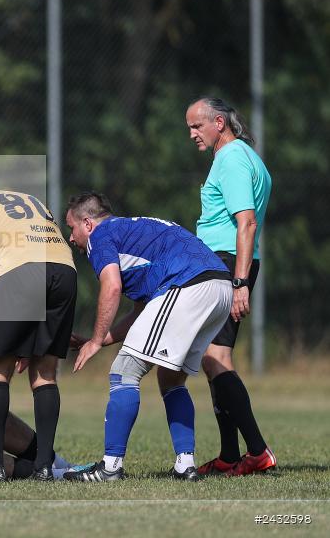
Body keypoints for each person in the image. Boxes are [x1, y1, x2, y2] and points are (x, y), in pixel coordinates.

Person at [64, 192, 233, 482]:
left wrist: (94, 340)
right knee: (170, 377)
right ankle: (185, 464)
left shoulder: (101, 236)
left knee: (123, 372)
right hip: (219, 287)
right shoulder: (132, 233)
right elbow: (142, 313)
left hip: (187, 284)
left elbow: (112, 287)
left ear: (88, 224)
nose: (71, 237)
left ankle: (111, 467)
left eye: (72, 228)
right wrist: (100, 339)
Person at [0, 170, 77, 482]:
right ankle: (44, 468)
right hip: (65, 272)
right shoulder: (29, 200)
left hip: (19, 271)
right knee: (44, 373)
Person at [185, 97, 276, 476]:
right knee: (214, 359)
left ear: (219, 123)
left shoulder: (233, 157)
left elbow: (247, 223)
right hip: (225, 263)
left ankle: (257, 452)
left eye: (197, 126)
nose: (192, 134)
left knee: (214, 359)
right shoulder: (243, 155)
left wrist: (239, 283)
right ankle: (229, 455)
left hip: (225, 264)